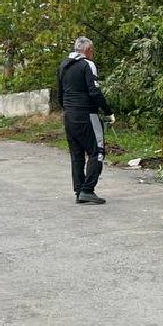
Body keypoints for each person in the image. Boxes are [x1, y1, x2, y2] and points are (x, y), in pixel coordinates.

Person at [57, 36, 114, 205]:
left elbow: (60, 93)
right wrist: (108, 112)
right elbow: (94, 92)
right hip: (87, 115)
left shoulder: (63, 65)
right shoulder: (87, 65)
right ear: (88, 51)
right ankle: (88, 190)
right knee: (97, 152)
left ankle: (79, 190)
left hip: (69, 115)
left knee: (77, 155)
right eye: (92, 51)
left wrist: (68, 109)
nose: (93, 54)